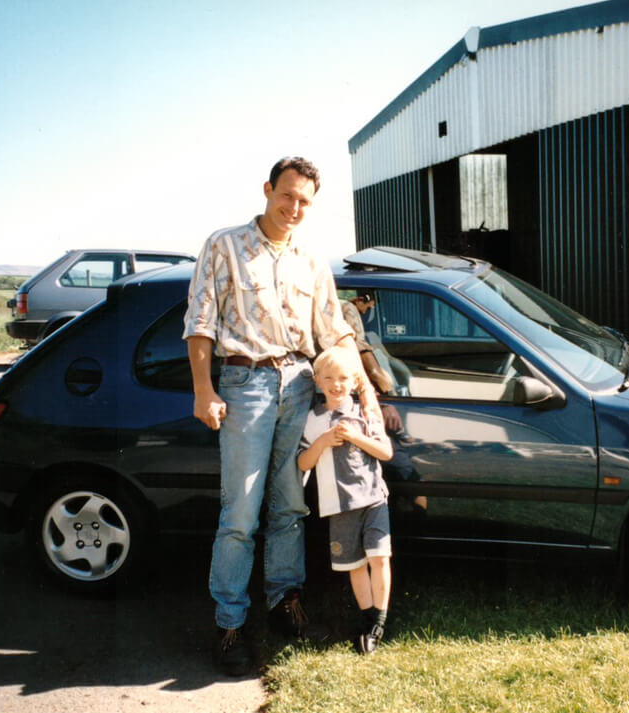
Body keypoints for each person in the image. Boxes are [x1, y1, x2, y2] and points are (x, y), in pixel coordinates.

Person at [183, 156, 377, 676]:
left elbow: (334, 329)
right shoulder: (223, 245)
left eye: (305, 202)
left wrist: (370, 393)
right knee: (241, 514)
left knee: (290, 506)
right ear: (268, 189)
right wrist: (204, 390)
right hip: (244, 384)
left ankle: (283, 604)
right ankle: (230, 624)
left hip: (299, 385)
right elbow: (200, 322)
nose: (294, 208)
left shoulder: (312, 259)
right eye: (287, 195)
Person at [297, 346, 393, 655]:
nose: (336, 385)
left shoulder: (365, 412)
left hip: (374, 497)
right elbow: (302, 463)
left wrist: (354, 437)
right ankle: (367, 618)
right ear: (318, 381)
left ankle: (379, 620)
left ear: (354, 381)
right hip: (339, 505)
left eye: (343, 378)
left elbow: (385, 452)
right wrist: (324, 441)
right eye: (329, 378)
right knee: (355, 564)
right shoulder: (313, 420)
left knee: (379, 557)